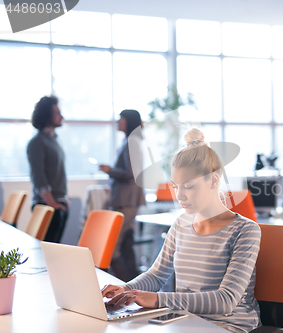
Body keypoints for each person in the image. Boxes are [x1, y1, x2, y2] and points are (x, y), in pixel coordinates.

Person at [101, 128, 262, 333]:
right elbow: (157, 276)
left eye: (189, 186)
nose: (179, 196)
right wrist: (126, 289)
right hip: (186, 323)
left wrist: (158, 299)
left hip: (229, 327)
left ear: (213, 180)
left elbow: (226, 300)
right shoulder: (181, 224)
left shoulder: (245, 231)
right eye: (176, 186)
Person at [99, 110, 146, 281]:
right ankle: (136, 287)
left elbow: (131, 173)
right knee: (127, 246)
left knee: (112, 250)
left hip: (126, 201)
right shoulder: (132, 140)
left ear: (128, 121)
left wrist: (109, 170)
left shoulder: (132, 141)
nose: (118, 122)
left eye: (121, 119)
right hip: (127, 200)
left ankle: (128, 290)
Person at [27, 96, 68, 243]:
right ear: (47, 115)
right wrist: (52, 203)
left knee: (54, 250)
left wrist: (63, 200)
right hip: (47, 206)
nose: (61, 116)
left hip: (58, 204)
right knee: (45, 253)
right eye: (57, 113)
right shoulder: (37, 142)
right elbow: (38, 177)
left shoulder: (55, 141)